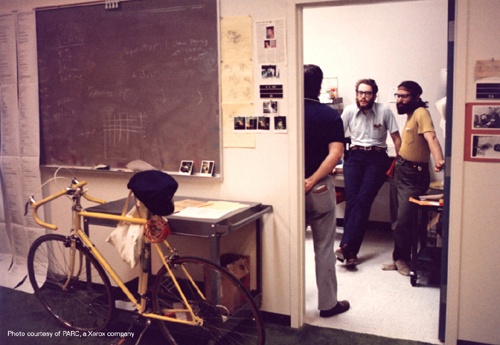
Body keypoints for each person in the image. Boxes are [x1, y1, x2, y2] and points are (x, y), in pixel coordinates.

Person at [335, 79, 401, 267]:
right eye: (361, 93)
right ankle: (350, 252)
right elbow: (337, 137)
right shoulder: (348, 111)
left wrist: (399, 161)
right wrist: (334, 160)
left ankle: (346, 247)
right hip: (354, 158)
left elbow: (396, 138)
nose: (364, 96)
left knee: (363, 201)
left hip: (377, 158)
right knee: (353, 201)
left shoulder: (384, 111)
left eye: (368, 93)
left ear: (374, 95)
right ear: (356, 94)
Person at [383, 80, 445, 276]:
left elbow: (431, 137)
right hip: (400, 170)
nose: (399, 100)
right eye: (398, 96)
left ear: (416, 97)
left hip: (414, 175)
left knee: (404, 219)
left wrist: (439, 159)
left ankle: (405, 259)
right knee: (396, 219)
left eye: (404, 96)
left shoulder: (421, 113)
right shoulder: (410, 115)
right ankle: (399, 257)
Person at [304, 64, 350, 317]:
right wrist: (312, 180)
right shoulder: (329, 115)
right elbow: (336, 154)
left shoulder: (284, 112)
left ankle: (285, 303)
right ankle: (328, 304)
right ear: (320, 85)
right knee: (323, 248)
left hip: (290, 189)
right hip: (319, 188)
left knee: (288, 247)